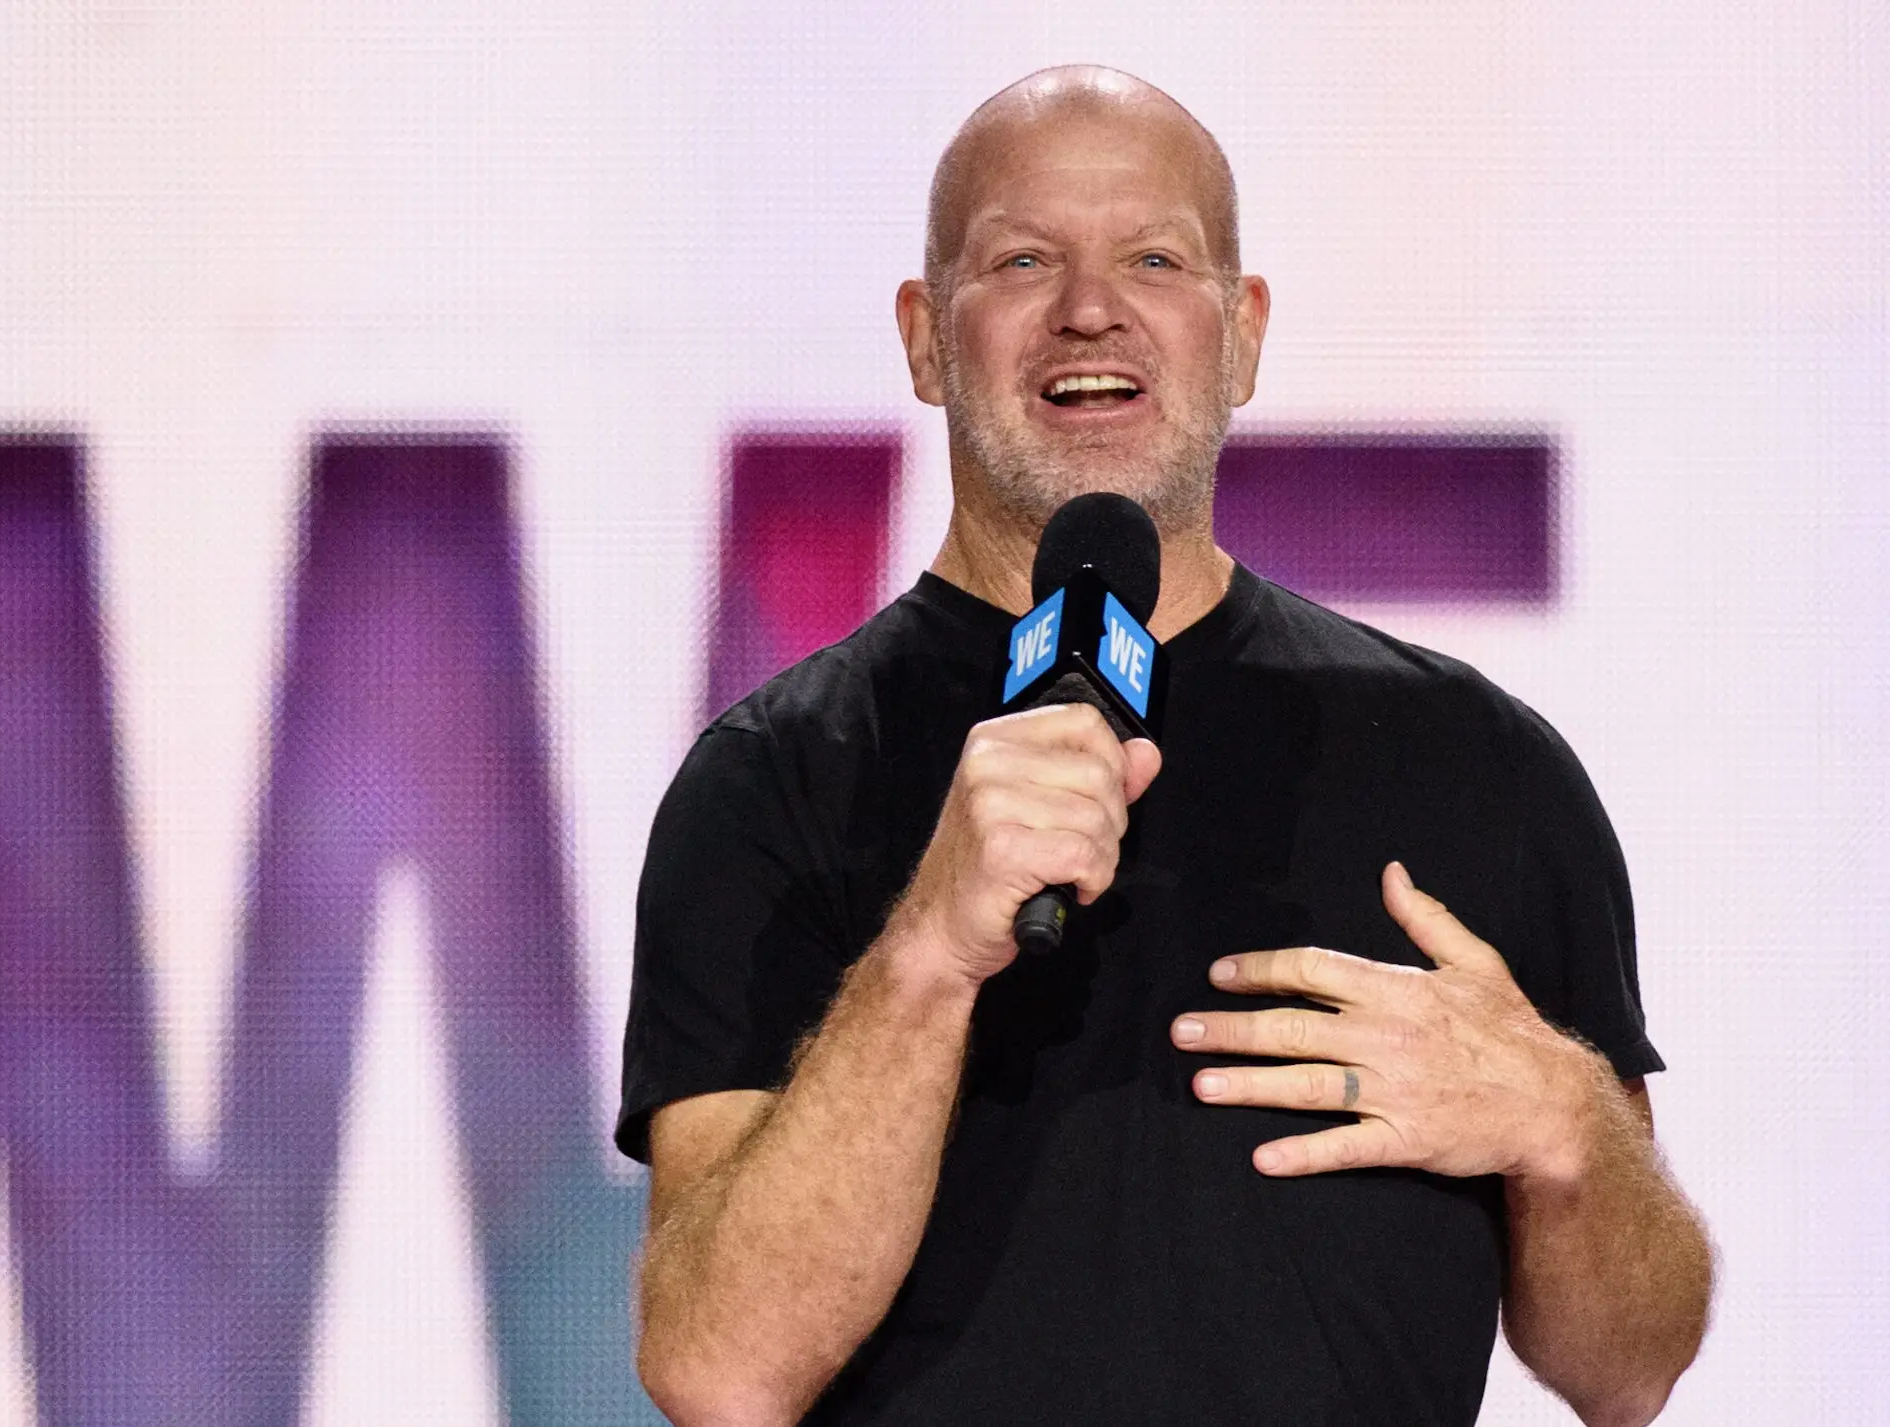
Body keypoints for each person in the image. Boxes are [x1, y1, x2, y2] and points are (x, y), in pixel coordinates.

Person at [619, 65, 1714, 1427]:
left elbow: (1633, 1366)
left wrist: (1565, 1127)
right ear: (923, 339)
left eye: (1154, 258)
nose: (1091, 308)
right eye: (1022, 260)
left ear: (1241, 334)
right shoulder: (770, 780)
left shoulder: (1479, 762)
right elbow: (717, 1370)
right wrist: (926, 957)